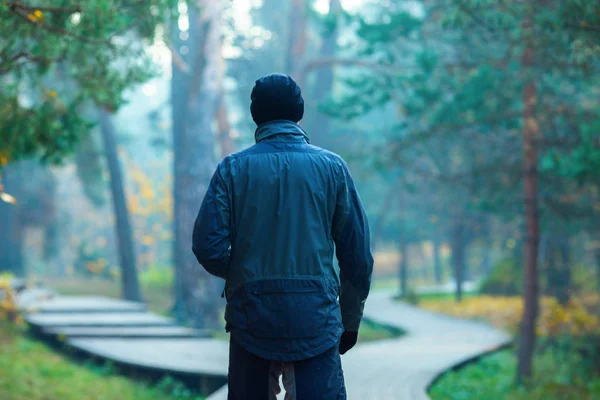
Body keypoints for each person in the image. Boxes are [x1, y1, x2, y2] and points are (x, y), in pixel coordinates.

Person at [192, 73, 373, 400]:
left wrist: (245, 275)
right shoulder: (332, 168)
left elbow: (208, 246)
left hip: (251, 316)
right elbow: (357, 256)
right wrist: (349, 320)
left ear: (255, 115)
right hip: (316, 316)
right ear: (298, 113)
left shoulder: (232, 169)